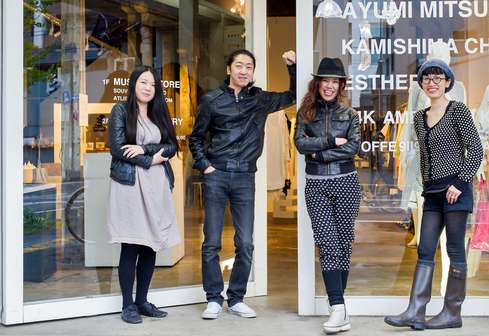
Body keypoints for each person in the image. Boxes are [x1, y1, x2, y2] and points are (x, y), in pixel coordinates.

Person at [189, 49, 296, 319]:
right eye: (239, 65)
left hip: (245, 177)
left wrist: (292, 67)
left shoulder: (259, 100)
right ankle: (213, 298)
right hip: (217, 175)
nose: (244, 70)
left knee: (245, 242)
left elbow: (291, 96)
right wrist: (206, 166)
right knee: (211, 242)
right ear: (229, 70)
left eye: (249, 66)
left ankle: (236, 298)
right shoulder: (212, 100)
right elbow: (196, 138)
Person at [384, 59, 483, 330]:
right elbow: (424, 159)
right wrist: (425, 189)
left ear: (448, 82)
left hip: (456, 191)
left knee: (453, 249)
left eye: (438, 78)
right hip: (433, 193)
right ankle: (415, 311)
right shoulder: (418, 118)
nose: (433, 83)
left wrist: (460, 183)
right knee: (425, 249)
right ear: (422, 85)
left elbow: (474, 150)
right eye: (428, 79)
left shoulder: (458, 111)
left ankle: (452, 312)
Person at [107, 65, 180, 324]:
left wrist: (142, 148)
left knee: (152, 244)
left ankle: (142, 301)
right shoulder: (120, 111)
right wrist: (150, 160)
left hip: (157, 185)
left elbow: (172, 145)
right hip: (129, 185)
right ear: (133, 85)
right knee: (132, 243)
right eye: (143, 82)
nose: (148, 88)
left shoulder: (160, 113)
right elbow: (117, 148)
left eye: (152, 84)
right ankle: (128, 305)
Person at [294, 57, 361, 334]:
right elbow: (300, 144)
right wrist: (332, 142)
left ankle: (338, 308)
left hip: (346, 183)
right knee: (327, 243)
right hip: (317, 185)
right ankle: (338, 307)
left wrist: (317, 152)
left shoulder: (350, 114)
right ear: (317, 83)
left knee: (344, 245)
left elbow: (354, 148)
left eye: (335, 81)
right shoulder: (305, 113)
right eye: (325, 80)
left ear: (340, 85)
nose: (330, 86)